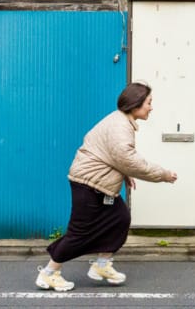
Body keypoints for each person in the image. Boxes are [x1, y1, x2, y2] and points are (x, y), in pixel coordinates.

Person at [37, 81, 178, 292]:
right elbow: (129, 160)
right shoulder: (120, 127)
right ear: (136, 104)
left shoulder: (121, 122)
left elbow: (116, 159)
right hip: (88, 184)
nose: (151, 107)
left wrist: (123, 174)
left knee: (119, 218)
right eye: (149, 102)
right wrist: (164, 175)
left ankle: (101, 265)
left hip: (99, 184)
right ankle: (48, 273)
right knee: (79, 233)